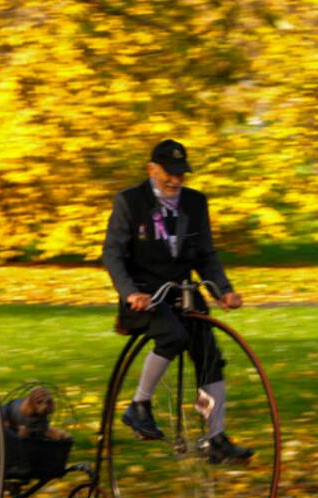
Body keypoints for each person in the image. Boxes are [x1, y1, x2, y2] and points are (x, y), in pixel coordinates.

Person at [102, 139, 252, 464]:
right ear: (152, 169)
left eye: (180, 174)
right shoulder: (130, 201)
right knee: (172, 336)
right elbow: (113, 254)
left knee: (210, 358)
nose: (175, 180)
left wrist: (223, 290)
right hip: (146, 295)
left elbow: (206, 254)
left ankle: (215, 437)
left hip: (184, 293)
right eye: (168, 173)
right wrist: (130, 293)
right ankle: (139, 405)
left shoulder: (195, 203)